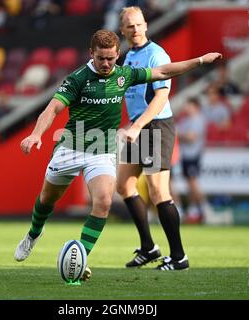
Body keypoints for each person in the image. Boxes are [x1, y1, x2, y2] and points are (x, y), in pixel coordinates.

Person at [13, 29, 222, 279]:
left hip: (101, 149)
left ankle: (79, 260)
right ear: (91, 54)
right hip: (71, 144)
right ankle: (34, 233)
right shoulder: (78, 78)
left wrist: (199, 60)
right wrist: (37, 134)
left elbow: (164, 71)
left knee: (102, 202)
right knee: (47, 199)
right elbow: (52, 108)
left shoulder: (123, 75)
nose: (106, 64)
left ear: (117, 54)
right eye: (101, 58)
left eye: (111, 58)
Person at [116, 6, 188, 271]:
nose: (135, 30)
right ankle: (149, 248)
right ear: (122, 30)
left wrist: (138, 126)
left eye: (138, 25)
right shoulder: (127, 58)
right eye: (129, 26)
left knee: (158, 191)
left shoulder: (156, 54)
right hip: (139, 126)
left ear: (145, 25)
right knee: (124, 185)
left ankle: (179, 257)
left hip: (156, 126)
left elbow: (160, 98)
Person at [177, 98, 207, 224]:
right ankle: (194, 210)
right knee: (190, 183)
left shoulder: (198, 120)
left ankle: (205, 208)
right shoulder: (186, 120)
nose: (186, 108)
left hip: (193, 155)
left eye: (189, 105)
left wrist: (179, 135)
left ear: (195, 106)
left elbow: (191, 137)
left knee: (193, 182)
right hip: (185, 155)